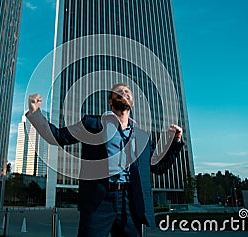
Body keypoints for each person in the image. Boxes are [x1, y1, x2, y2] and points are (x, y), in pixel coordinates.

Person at [26, 83, 184, 237]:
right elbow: (58, 137)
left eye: (127, 91)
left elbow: (157, 166)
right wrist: (35, 113)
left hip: (130, 200)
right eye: (119, 91)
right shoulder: (92, 124)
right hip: (99, 200)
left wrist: (175, 142)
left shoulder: (143, 136)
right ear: (110, 101)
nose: (124, 93)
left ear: (132, 102)